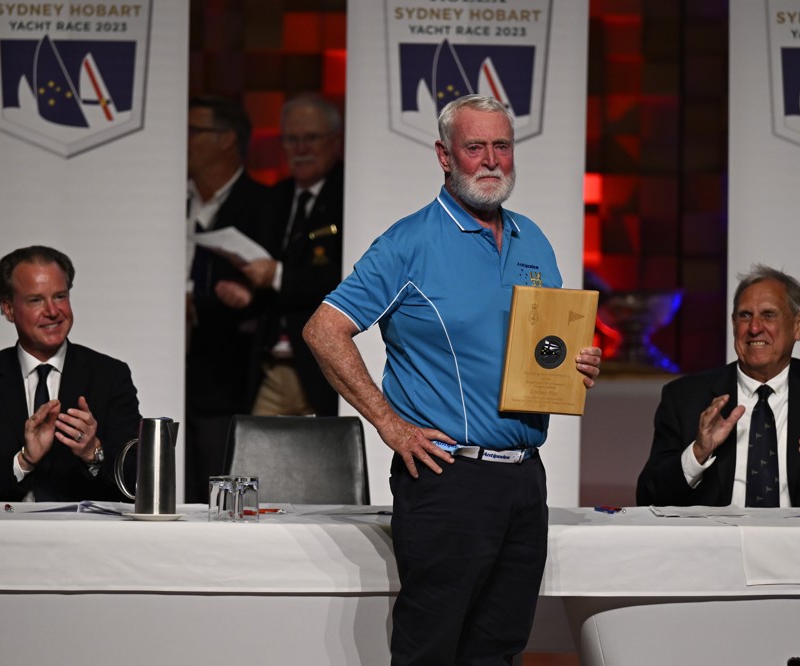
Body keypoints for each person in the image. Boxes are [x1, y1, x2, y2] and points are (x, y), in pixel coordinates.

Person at [302, 95, 602, 665]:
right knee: (430, 652)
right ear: (445, 156)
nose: (491, 160)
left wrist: (576, 364)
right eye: (474, 147)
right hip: (447, 481)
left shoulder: (533, 238)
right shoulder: (409, 242)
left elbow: (546, 346)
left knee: (499, 650)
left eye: (502, 146)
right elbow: (324, 330)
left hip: (525, 480)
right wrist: (390, 425)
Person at [636, 264, 800, 508]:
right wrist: (697, 453)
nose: (754, 328)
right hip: (718, 533)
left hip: (799, 533)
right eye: (745, 315)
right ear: (734, 324)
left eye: (769, 315)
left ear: (799, 325)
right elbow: (649, 497)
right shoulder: (684, 397)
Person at [0, 246, 142, 502]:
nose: (52, 311)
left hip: (83, 527)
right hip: (2, 526)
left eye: (60, 296)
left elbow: (138, 481)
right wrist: (24, 461)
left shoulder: (110, 376)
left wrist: (93, 452)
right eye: (36, 300)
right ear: (8, 308)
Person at [237, 94, 344, 417]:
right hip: (269, 366)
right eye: (291, 139)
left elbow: (345, 278)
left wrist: (278, 276)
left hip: (323, 369)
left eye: (311, 138)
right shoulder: (274, 199)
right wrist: (244, 290)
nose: (301, 149)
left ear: (335, 140)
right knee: (252, 448)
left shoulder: (351, 195)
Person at [184, 95, 269, 502]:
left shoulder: (264, 204)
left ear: (226, 139)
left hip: (224, 381)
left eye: (193, 131)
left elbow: (274, 292)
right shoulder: (167, 200)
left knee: (213, 495)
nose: (183, 141)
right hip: (161, 371)